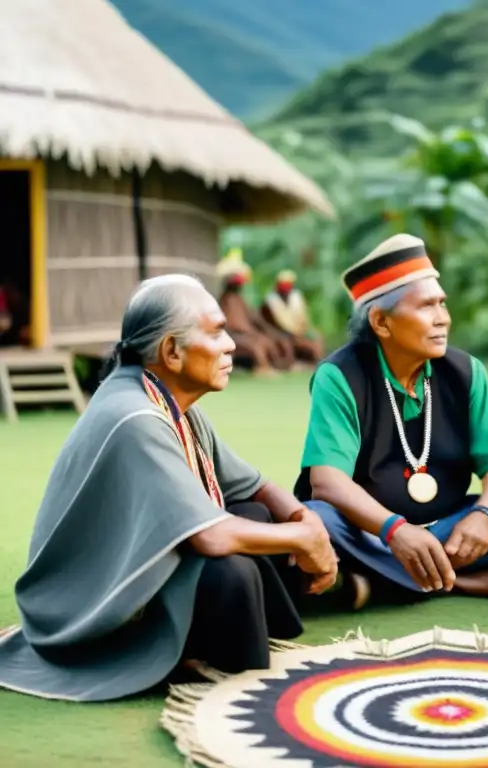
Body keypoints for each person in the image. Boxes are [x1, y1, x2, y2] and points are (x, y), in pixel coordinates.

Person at [0, 274, 339, 702]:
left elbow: (256, 488)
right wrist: (304, 537)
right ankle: (182, 651)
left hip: (131, 567)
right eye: (216, 333)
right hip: (88, 602)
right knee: (228, 571)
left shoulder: (168, 401)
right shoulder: (135, 417)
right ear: (171, 351)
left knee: (257, 518)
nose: (232, 345)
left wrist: (304, 521)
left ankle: (209, 641)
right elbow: (212, 536)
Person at [295, 233, 488, 607]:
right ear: (381, 322)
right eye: (427, 307)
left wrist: (484, 517)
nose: (443, 318)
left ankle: (370, 585)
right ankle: (465, 582)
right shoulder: (340, 375)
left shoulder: (466, 372)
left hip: (445, 524)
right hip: (370, 532)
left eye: (442, 304)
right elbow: (327, 483)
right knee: (316, 521)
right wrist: (395, 531)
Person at [217, 249, 294, 375]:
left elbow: (254, 318)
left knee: (269, 341)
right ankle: (261, 368)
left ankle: (280, 366)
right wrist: (249, 333)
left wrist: (269, 332)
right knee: (257, 345)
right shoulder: (227, 300)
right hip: (235, 336)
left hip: (248, 335)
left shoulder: (240, 300)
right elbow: (233, 325)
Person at [261, 269, 324, 362]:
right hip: (281, 334)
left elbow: (304, 318)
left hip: (299, 331)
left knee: (316, 338)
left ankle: (317, 359)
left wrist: (306, 331)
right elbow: (275, 323)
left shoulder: (296, 297)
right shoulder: (271, 301)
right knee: (287, 343)